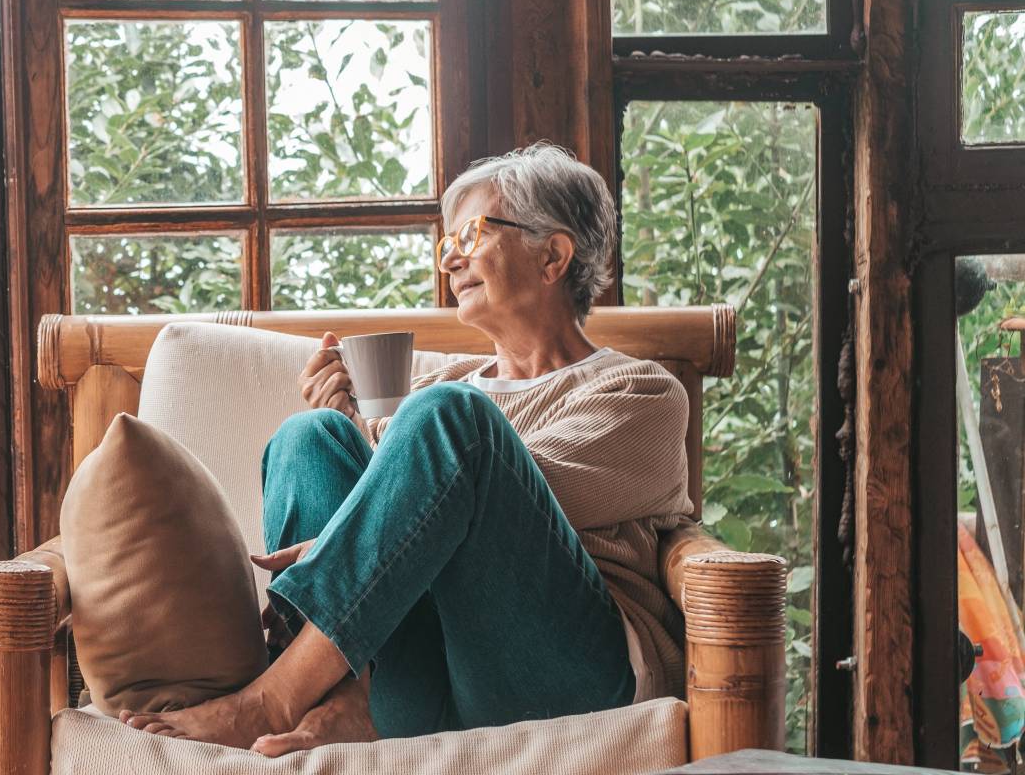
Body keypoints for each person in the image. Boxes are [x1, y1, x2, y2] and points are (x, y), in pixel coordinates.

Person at [121, 143, 694, 755]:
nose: (450, 258)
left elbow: (491, 502)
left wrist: (344, 542)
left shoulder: (640, 392)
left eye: (472, 233)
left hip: (561, 675)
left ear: (552, 256)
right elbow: (406, 505)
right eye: (447, 240)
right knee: (309, 437)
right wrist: (341, 417)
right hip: (424, 685)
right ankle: (349, 701)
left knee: (450, 421)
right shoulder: (439, 395)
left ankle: (274, 696)